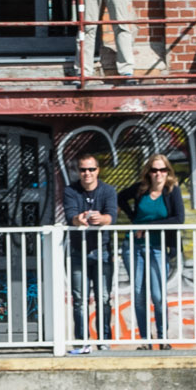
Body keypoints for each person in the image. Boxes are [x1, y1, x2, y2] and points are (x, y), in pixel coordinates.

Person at [122, 154, 184, 350]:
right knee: (139, 295)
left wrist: (148, 225)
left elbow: (178, 219)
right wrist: (134, 220)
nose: (159, 174)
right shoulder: (141, 190)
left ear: (168, 172)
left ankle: (163, 338)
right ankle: (145, 340)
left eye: (162, 170)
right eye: (154, 170)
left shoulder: (172, 191)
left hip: (158, 248)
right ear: (149, 173)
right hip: (134, 246)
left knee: (158, 296)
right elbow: (120, 198)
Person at [59, 151, 119, 353]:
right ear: (79, 171)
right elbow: (70, 215)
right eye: (83, 170)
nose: (87, 174)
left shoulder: (108, 190)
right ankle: (82, 342)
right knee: (79, 299)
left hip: (102, 250)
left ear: (98, 170)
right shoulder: (71, 190)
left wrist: (100, 219)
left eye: (91, 169)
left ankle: (104, 340)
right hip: (78, 251)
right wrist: (80, 219)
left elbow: (111, 216)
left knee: (103, 298)